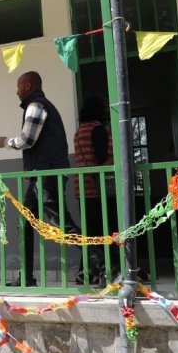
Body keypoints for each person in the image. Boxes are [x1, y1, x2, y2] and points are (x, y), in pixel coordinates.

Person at [0, 71, 91, 286]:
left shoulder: (36, 106)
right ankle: (26, 277)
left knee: (61, 223)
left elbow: (27, 139)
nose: (17, 91)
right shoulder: (40, 105)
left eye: (19, 87)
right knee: (26, 223)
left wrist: (5, 142)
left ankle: (106, 264)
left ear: (28, 86)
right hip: (40, 175)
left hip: (46, 175)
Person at [74, 96, 117, 284]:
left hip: (81, 188)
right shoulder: (97, 130)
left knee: (90, 232)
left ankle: (85, 272)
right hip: (97, 188)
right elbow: (102, 160)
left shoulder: (80, 131)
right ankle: (115, 268)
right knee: (109, 230)